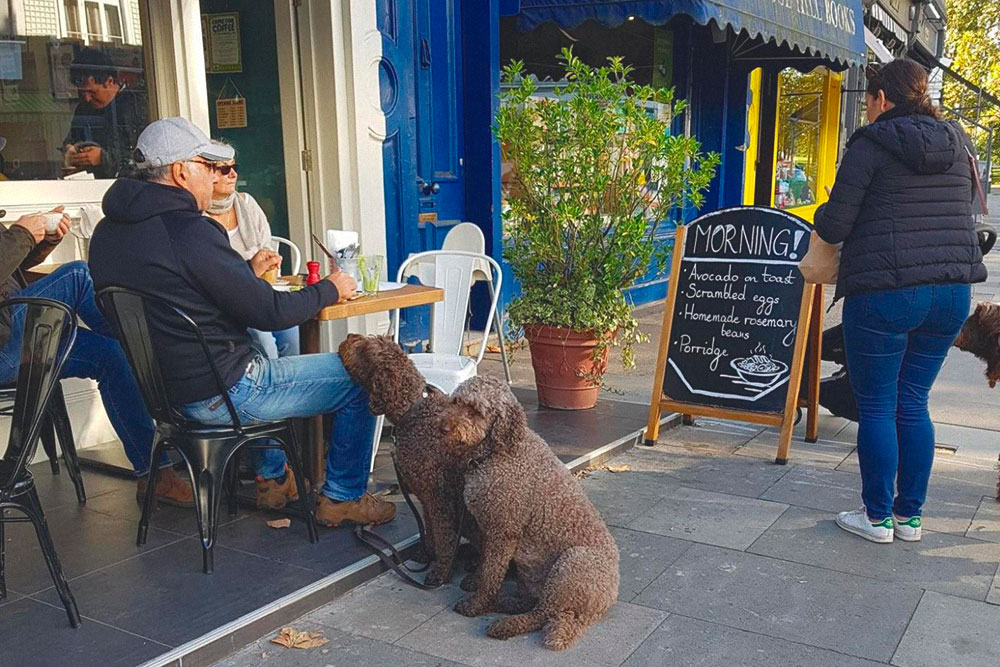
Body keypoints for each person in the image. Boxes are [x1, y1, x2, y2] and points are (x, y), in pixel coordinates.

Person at [88, 117, 395, 527]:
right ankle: (342, 496)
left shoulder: (107, 234)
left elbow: (176, 297)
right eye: (210, 167)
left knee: (282, 356)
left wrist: (243, 276)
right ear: (182, 171)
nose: (215, 178)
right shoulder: (188, 231)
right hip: (228, 390)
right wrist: (331, 289)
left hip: (167, 398)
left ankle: (276, 476)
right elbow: (269, 312)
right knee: (368, 372)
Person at [814, 59, 987, 544]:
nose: (867, 109)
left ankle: (876, 518)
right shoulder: (958, 143)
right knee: (913, 401)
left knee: (877, 405)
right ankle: (910, 517)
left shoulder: (870, 145)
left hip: (886, 293)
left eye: (868, 99)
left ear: (882, 100)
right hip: (951, 293)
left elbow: (833, 226)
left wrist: (830, 204)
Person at [0, 209, 193, 506]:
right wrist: (23, 235)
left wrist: (42, 243)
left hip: (17, 339)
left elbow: (10, 272)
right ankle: (165, 364)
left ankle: (156, 476)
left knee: (111, 355)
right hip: (5, 350)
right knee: (78, 274)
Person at [205, 144, 299, 359]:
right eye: (224, 169)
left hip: (264, 290)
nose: (234, 174)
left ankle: (292, 385)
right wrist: (251, 269)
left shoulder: (247, 204)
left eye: (234, 167)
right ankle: (274, 385)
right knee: (265, 341)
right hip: (234, 302)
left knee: (291, 331)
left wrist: (271, 259)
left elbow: (266, 246)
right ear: (208, 174)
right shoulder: (199, 217)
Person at [63, 48, 147, 179]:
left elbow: (143, 156)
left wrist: (103, 158)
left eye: (92, 92)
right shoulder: (83, 109)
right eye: (81, 93)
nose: (87, 99)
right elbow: (71, 140)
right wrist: (71, 152)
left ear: (110, 81)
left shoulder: (134, 106)